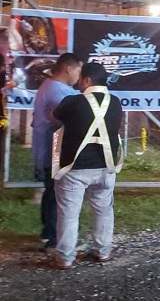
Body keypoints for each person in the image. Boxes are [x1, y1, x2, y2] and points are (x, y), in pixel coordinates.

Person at [53, 62, 123, 269]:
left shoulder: (72, 102)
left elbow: (53, 119)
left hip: (75, 169)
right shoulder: (116, 102)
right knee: (103, 210)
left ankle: (65, 258)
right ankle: (103, 252)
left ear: (86, 80)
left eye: (80, 77)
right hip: (106, 167)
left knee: (69, 213)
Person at [31, 53, 82, 252]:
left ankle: (48, 232)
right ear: (69, 68)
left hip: (49, 149)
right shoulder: (59, 92)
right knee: (57, 194)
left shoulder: (52, 86)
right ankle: (54, 239)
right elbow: (69, 119)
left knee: (51, 192)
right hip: (53, 149)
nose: (79, 74)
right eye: (78, 69)